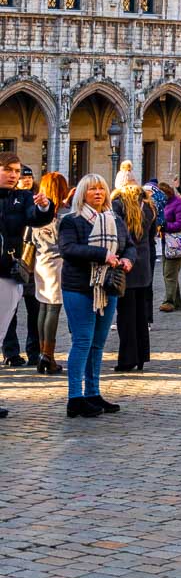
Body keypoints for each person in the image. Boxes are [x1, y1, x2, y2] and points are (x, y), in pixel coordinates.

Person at [57, 174, 132, 417]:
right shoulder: (72, 220)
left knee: (98, 343)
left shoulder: (114, 219)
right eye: (92, 189)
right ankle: (74, 398)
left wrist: (129, 258)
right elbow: (68, 249)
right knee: (82, 340)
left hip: (107, 287)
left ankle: (93, 392)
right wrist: (102, 255)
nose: (98, 193)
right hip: (79, 287)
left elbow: (129, 244)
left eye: (101, 188)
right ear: (82, 193)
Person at [0, 153, 55, 403]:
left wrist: (44, 205)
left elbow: (37, 216)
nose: (13, 175)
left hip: (9, 272)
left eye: (16, 170)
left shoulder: (22, 197)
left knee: (1, 330)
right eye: (7, 170)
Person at [112, 181, 156, 374]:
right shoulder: (148, 209)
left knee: (126, 316)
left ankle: (128, 358)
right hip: (144, 264)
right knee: (140, 315)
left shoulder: (119, 207)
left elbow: (118, 237)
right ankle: (141, 355)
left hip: (127, 265)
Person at [31, 172, 70, 374]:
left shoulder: (39, 212)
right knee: (52, 309)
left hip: (40, 262)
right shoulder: (61, 216)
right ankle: (48, 356)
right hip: (57, 264)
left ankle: (42, 353)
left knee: (44, 307)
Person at [159, 184, 181, 313]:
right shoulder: (163, 204)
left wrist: (165, 225)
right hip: (166, 242)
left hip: (175, 243)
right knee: (170, 273)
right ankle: (176, 302)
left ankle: (169, 301)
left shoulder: (178, 204)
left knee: (169, 273)